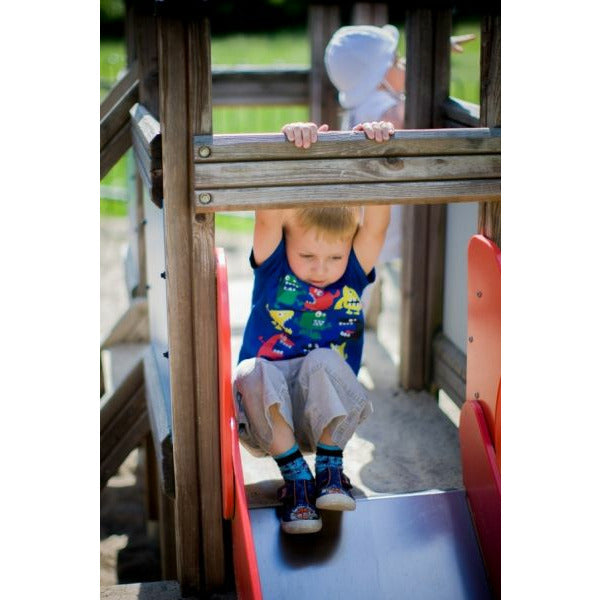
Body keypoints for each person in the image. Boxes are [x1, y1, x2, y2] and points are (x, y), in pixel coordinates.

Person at [233, 121, 394, 534]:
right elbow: (267, 213)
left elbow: (376, 223)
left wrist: (369, 148)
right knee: (251, 370)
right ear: (287, 239)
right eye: (307, 255)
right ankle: (298, 480)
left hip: (327, 415)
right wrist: (289, 148)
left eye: (334, 258)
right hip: (271, 419)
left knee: (323, 359)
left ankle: (328, 468)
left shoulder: (353, 273)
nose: (322, 269)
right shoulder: (273, 266)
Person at [324, 25, 475, 325]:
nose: (403, 64)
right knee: (355, 296)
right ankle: (337, 345)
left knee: (356, 289)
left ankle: (337, 341)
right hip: (377, 221)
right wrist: (425, 68)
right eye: (395, 61)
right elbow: (404, 117)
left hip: (367, 216)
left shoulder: (362, 102)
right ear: (378, 76)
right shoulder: (379, 106)